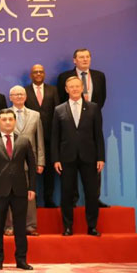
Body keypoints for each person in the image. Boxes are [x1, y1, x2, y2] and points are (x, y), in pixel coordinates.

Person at [0, 109, 37, 271]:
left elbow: (32, 166)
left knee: (20, 227)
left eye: (10, 119)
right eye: (4, 120)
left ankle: (21, 260)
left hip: (20, 190)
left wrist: (32, 187)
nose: (7, 122)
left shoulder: (24, 141)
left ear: (15, 121)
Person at [52, 76, 105, 237]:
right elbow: (55, 137)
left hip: (89, 157)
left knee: (91, 193)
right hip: (66, 158)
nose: (74, 89)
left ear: (82, 88)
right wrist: (56, 159)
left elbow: (98, 135)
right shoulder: (59, 109)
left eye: (77, 86)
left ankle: (92, 226)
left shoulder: (93, 108)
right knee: (67, 193)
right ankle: (68, 227)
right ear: (66, 89)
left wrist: (100, 157)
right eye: (71, 87)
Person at [56, 49, 108, 208]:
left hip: (91, 118)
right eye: (81, 57)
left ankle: (95, 197)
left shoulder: (99, 76)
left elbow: (102, 98)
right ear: (74, 60)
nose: (85, 59)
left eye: (87, 57)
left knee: (93, 162)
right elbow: (61, 99)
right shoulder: (64, 77)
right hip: (70, 120)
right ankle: (73, 199)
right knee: (70, 169)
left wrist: (90, 113)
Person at [0, 86, 44, 237]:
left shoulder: (35, 115)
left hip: (29, 162)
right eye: (15, 95)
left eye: (21, 94)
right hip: (7, 162)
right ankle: (9, 226)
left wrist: (40, 161)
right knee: (8, 194)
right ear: (10, 97)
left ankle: (30, 225)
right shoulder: (4, 115)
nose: (19, 97)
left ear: (26, 96)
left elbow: (39, 139)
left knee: (29, 195)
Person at [24, 64, 59, 207]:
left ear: (44, 74)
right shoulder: (25, 91)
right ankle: (33, 200)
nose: (38, 74)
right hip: (31, 137)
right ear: (31, 75)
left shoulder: (53, 90)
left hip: (50, 136)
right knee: (30, 169)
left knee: (49, 170)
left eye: (41, 72)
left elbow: (57, 111)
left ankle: (48, 199)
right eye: (35, 72)